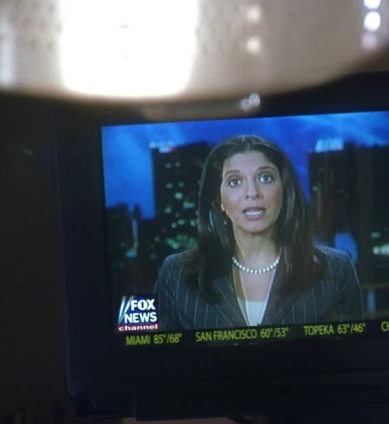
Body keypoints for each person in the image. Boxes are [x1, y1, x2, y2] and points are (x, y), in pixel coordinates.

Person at [155, 135, 362, 331]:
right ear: (219, 201)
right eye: (235, 182)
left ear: (284, 191)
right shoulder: (177, 275)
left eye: (265, 178)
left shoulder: (336, 270)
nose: (252, 193)